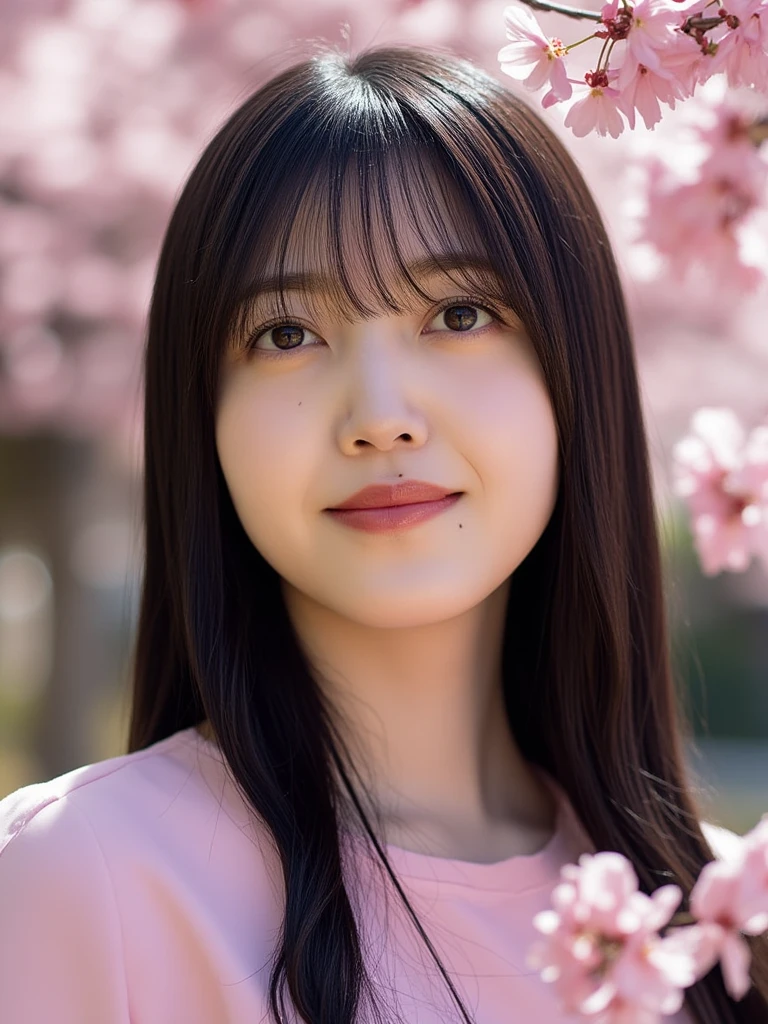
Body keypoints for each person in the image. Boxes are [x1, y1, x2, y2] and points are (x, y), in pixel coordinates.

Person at [0, 43, 766, 1024]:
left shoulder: (708, 923)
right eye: (286, 334)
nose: (379, 414)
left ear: (577, 378)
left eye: (458, 312)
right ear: (205, 420)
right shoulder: (87, 875)